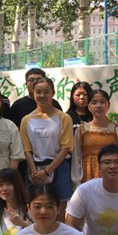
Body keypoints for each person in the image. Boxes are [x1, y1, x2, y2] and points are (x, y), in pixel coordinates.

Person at [20, 78, 73, 220]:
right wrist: (35, 173)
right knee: (37, 211)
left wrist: (47, 171)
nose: (42, 95)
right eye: (38, 92)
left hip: (58, 168)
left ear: (53, 93)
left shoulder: (64, 118)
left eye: (46, 92)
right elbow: (27, 150)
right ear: (33, 93)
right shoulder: (26, 120)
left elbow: (65, 148)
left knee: (59, 212)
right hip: (34, 170)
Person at [71, 89, 118, 185]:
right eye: (94, 102)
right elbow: (76, 158)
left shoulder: (117, 130)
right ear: (89, 106)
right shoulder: (81, 130)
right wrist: (76, 181)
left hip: (111, 177)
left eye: (102, 102)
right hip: (87, 178)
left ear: (108, 105)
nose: (98, 106)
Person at [0, 168, 30, 235]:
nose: (4, 188)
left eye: (9, 184)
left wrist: (24, 224)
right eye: (0, 185)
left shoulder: (31, 209)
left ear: (17, 185)